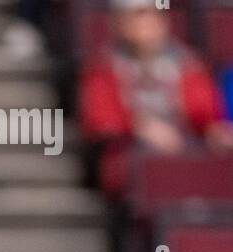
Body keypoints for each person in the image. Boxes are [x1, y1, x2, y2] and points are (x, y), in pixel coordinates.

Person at [79, 0, 233, 202]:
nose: (145, 24)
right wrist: (141, 127)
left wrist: (214, 130)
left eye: (151, 16)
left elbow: (205, 114)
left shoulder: (188, 65)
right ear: (119, 23)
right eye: (137, 17)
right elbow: (100, 120)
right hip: (133, 153)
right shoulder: (103, 69)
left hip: (185, 146)